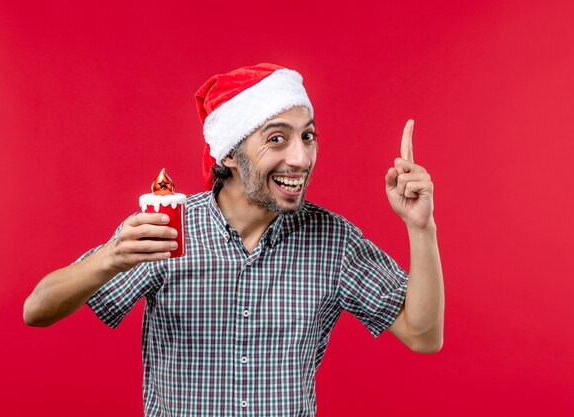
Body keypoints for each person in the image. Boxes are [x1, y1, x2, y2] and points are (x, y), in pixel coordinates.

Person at [24, 63, 444, 416]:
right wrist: (110, 258)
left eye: (307, 136)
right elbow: (37, 310)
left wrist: (420, 228)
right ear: (229, 153)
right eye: (277, 138)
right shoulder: (167, 229)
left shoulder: (332, 241)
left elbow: (423, 336)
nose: (300, 158)